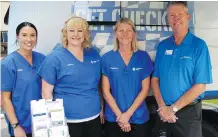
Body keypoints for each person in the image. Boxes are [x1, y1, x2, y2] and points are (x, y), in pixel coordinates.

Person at [151, 1, 213, 137]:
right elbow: (155, 79)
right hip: (163, 111)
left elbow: (200, 86)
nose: (176, 18)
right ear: (168, 19)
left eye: (180, 14)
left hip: (188, 113)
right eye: (172, 15)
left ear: (188, 17)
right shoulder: (163, 45)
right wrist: (163, 108)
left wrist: (173, 109)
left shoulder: (199, 46)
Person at [38, 15, 104, 137]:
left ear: (85, 34)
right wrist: (55, 122)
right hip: (67, 120)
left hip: (94, 117)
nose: (76, 34)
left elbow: (97, 86)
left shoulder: (94, 55)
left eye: (80, 30)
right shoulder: (54, 58)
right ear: (65, 33)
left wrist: (101, 108)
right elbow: (46, 93)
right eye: (71, 30)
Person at [101, 17, 154, 137]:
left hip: (138, 117)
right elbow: (105, 91)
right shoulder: (107, 58)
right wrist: (120, 116)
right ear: (115, 34)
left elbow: (145, 90)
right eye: (121, 30)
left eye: (128, 30)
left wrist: (127, 115)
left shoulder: (143, 57)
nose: (125, 34)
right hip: (114, 118)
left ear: (134, 34)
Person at [1, 22, 45, 137]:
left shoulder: (42, 59)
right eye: (24, 35)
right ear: (17, 36)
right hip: (21, 123)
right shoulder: (8, 63)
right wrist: (16, 126)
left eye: (32, 35)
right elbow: (5, 99)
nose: (29, 39)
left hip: (42, 121)